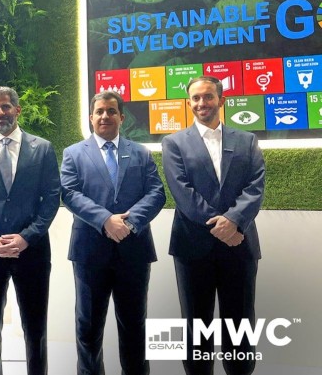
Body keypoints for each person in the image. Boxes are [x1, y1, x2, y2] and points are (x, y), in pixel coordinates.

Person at [162, 76, 265, 375]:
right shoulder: (174, 143)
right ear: (189, 103)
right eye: (195, 98)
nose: (201, 103)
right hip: (192, 247)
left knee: (240, 324)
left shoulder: (247, 140)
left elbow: (255, 187)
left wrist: (233, 222)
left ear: (221, 100)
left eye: (208, 96)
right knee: (196, 325)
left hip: (239, 244)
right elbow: (182, 192)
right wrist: (221, 227)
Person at [61, 90, 166, 375]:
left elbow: (156, 193)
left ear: (121, 117)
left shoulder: (141, 153)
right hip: (90, 252)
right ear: (91, 117)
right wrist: (106, 220)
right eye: (99, 111)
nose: (105, 116)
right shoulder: (73, 154)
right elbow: (69, 193)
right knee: (88, 327)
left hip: (133, 251)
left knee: (134, 326)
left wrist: (129, 223)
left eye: (111, 111)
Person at [0, 86, 61, 375]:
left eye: (6, 106)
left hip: (32, 252)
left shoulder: (42, 149)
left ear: (17, 109)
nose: (0, 112)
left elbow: (51, 198)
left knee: (35, 328)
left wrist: (27, 237)